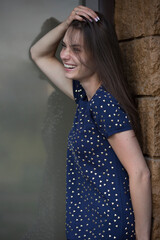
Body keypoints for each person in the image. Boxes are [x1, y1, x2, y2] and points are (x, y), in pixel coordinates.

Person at [30, 5, 152, 240]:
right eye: (65, 47)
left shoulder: (104, 104)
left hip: (106, 227)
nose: (65, 55)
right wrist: (68, 23)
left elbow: (139, 173)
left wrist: (143, 237)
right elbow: (38, 54)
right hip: (88, 225)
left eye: (76, 49)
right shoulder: (85, 96)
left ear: (98, 54)